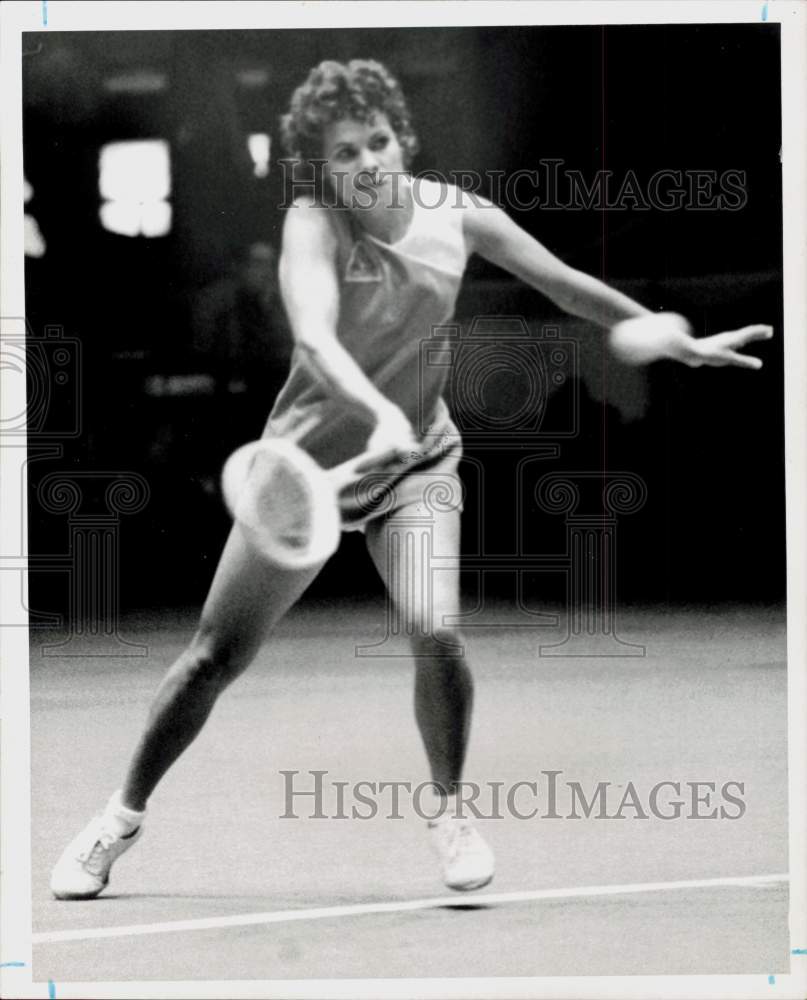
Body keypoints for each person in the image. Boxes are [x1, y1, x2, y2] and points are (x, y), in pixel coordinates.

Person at [51, 59, 772, 900]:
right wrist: (369, 406)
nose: (365, 162)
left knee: (436, 629)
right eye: (345, 152)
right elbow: (315, 334)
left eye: (377, 142)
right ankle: (119, 818)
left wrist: (668, 334)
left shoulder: (457, 217)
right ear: (323, 165)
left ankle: (450, 812)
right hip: (304, 469)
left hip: (416, 463)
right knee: (213, 655)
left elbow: (566, 287)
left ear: (404, 139)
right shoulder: (312, 221)